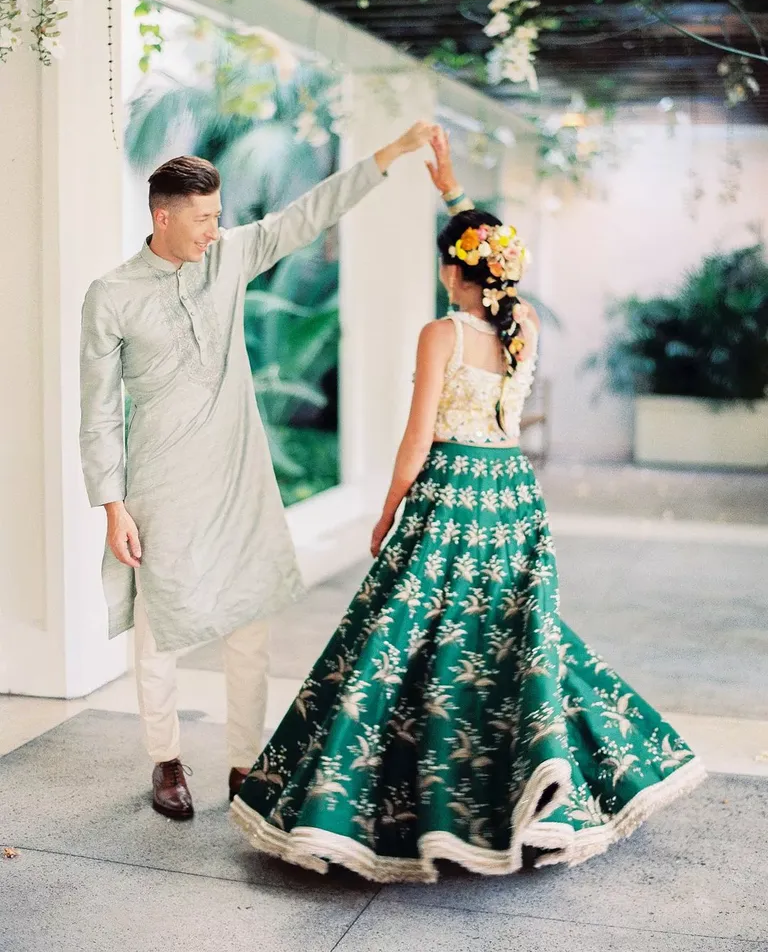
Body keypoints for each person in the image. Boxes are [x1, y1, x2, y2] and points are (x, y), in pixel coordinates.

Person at [230, 128, 706, 881]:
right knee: (508, 646)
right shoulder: (528, 327)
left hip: (449, 496)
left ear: (453, 272)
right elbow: (487, 251)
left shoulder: (441, 332)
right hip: (511, 497)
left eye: (446, 263)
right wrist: (452, 192)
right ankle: (538, 785)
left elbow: (417, 438)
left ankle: (413, 804)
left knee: (411, 646)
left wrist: (389, 510)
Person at [78, 120, 436, 820]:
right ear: (163, 216)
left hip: (239, 477)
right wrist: (112, 505)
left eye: (219, 216)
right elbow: (97, 411)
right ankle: (167, 760)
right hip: (160, 483)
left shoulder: (228, 260)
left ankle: (248, 761)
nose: (215, 229)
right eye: (204, 218)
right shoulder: (111, 295)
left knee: (250, 627)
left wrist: (387, 155)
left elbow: (305, 216)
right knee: (161, 628)